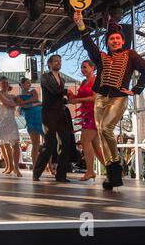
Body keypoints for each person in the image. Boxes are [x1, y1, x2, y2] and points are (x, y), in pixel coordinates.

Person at [74, 11, 145, 189]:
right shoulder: (101, 57)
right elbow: (88, 45)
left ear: (123, 41)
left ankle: (116, 169)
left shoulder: (130, 55)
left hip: (118, 98)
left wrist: (135, 90)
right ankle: (112, 176)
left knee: (105, 128)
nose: (115, 41)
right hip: (101, 98)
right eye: (112, 39)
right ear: (108, 42)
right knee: (103, 134)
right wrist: (80, 24)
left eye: (118, 38)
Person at [33, 55, 74, 183]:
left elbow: (58, 96)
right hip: (48, 114)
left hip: (61, 114)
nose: (59, 63)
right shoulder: (45, 77)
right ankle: (36, 172)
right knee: (49, 145)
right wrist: (67, 92)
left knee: (65, 144)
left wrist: (66, 99)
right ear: (50, 64)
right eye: (56, 61)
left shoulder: (61, 79)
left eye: (60, 61)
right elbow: (54, 90)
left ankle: (61, 175)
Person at [69, 60, 105, 181]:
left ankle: (90, 171)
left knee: (84, 141)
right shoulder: (84, 82)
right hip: (86, 115)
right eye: (81, 68)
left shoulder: (96, 80)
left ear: (92, 67)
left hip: (94, 114)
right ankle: (113, 169)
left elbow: (95, 98)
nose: (83, 70)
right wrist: (70, 95)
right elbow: (79, 97)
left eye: (85, 67)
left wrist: (78, 100)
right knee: (95, 147)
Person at [18, 77, 43, 169]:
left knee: (47, 143)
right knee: (35, 144)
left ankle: (49, 166)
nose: (29, 85)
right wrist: (37, 103)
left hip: (40, 119)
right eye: (27, 83)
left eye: (29, 83)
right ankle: (35, 166)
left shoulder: (33, 91)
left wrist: (26, 102)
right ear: (22, 85)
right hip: (31, 121)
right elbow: (24, 107)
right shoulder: (19, 97)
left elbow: (35, 98)